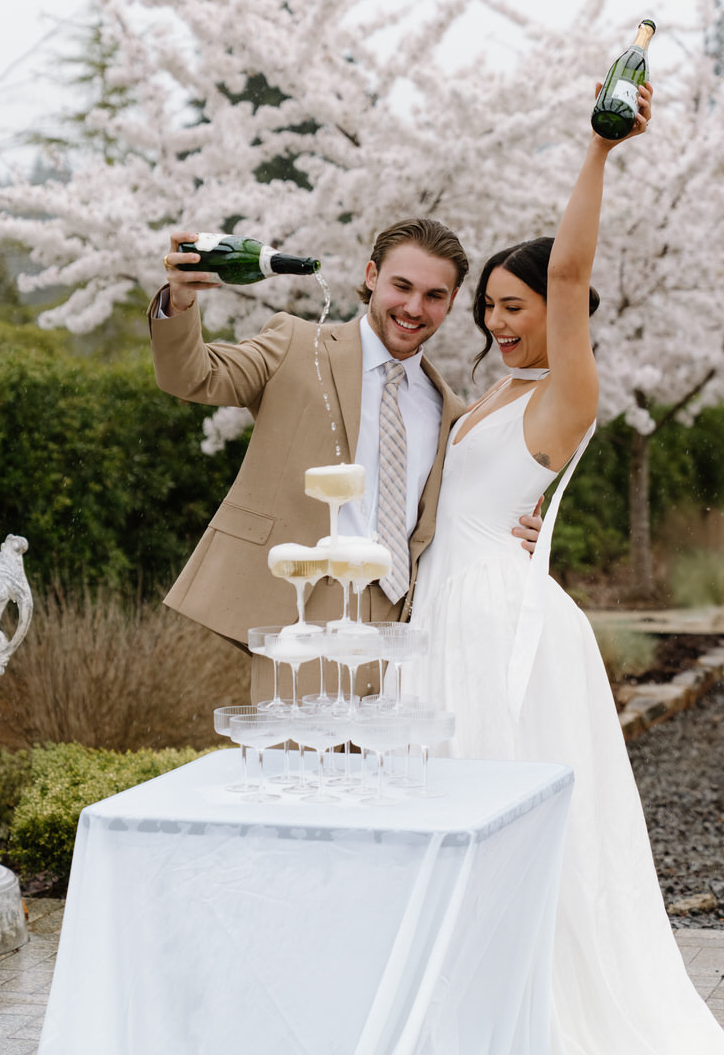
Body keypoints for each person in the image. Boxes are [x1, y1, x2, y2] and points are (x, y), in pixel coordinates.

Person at [406, 84, 724, 1053]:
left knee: (515, 829)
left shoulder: (567, 392)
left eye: (510, 306)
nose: (497, 323)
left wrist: (598, 153)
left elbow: (570, 272)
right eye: (487, 311)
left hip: (501, 631)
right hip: (442, 616)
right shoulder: (487, 392)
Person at [150, 217, 540, 703]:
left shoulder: (452, 413)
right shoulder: (296, 345)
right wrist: (181, 300)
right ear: (372, 276)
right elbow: (193, 376)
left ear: (453, 301)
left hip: (409, 624)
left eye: (434, 296)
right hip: (306, 609)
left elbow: (473, 508)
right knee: (304, 771)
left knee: (391, 772)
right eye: (401, 286)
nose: (414, 308)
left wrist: (524, 531)